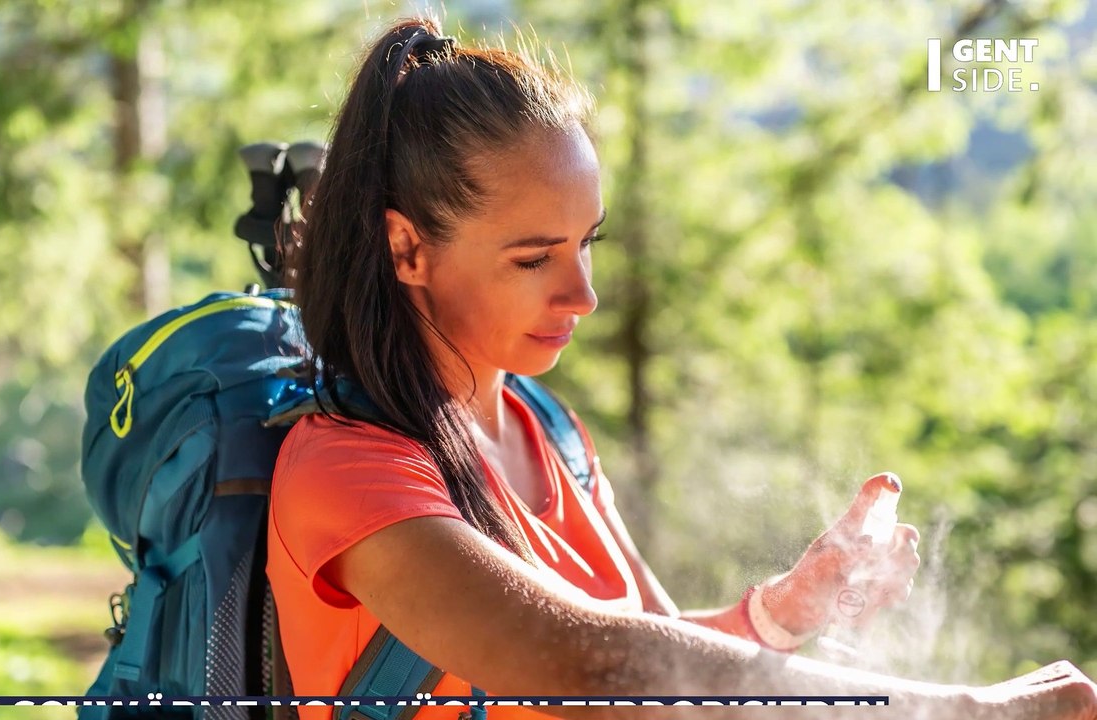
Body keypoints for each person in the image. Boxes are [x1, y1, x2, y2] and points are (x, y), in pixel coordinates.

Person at [265, 17, 1097, 720]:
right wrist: (959, 709)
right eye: (533, 259)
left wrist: (781, 612)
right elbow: (590, 661)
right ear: (406, 248)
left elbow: (669, 667)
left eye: (586, 243)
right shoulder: (348, 468)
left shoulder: (546, 427)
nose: (583, 294)